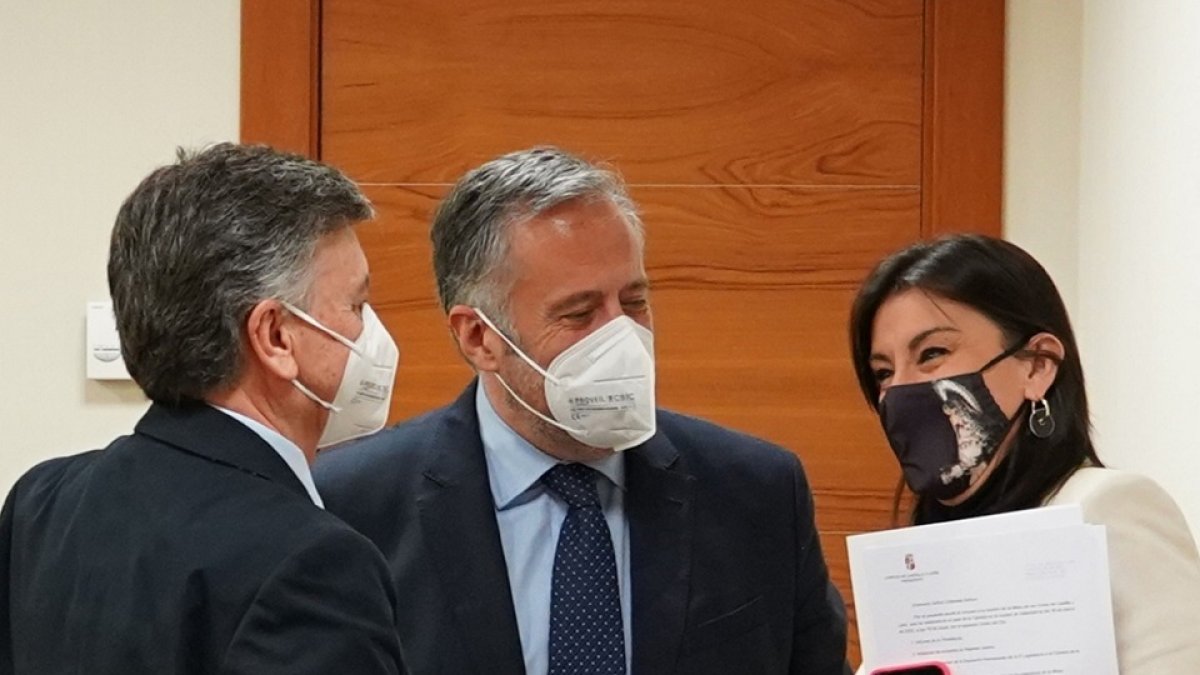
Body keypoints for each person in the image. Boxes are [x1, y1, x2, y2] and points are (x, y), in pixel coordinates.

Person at [315, 146, 851, 675]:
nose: (622, 336)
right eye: (579, 313)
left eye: (635, 302)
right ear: (480, 337)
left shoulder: (756, 493)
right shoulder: (351, 508)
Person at [0, 144, 407, 674]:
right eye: (355, 305)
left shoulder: (42, 501)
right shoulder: (312, 561)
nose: (368, 331)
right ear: (274, 336)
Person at [849, 233, 1200, 673]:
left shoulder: (1106, 506)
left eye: (932, 353)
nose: (899, 388)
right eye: (883, 371)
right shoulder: (919, 558)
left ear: (1037, 365)